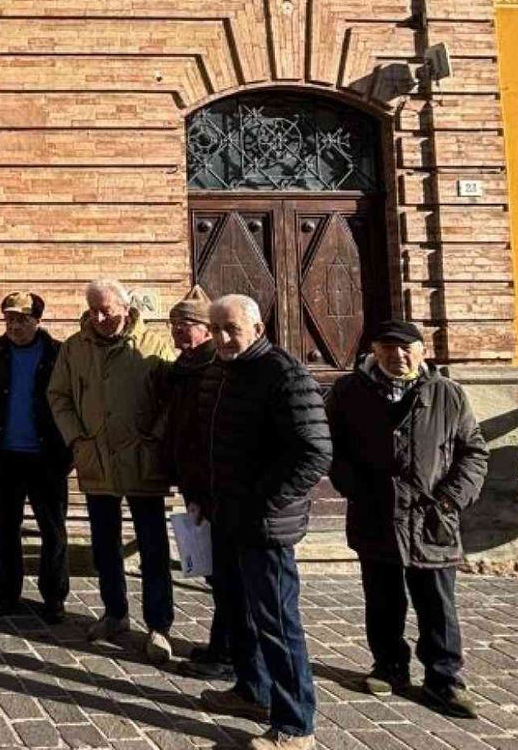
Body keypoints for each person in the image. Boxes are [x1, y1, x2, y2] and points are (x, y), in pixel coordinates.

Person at [327, 320, 488, 719]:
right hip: (375, 512)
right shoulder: (349, 393)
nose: (398, 356)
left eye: (407, 348)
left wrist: (450, 501)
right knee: (382, 598)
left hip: (432, 517)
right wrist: (352, 485)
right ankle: (389, 667)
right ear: (374, 351)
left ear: (421, 351)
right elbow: (330, 446)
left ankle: (445, 678)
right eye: (388, 348)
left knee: (437, 602)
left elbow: (474, 452)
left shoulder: (447, 394)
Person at [198, 294, 330, 750]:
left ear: (256, 327)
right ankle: (251, 690)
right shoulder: (222, 369)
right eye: (214, 328)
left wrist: (264, 503)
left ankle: (296, 726)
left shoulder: (285, 373)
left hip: (264, 523)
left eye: (230, 328)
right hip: (227, 516)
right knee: (239, 611)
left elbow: (314, 451)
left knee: (277, 621)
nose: (221, 337)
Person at [46, 279, 176, 663]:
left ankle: (158, 624)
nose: (100, 317)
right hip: (96, 459)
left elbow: (173, 400)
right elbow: (59, 396)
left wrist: (156, 437)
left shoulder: (154, 343)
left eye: (107, 309)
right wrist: (76, 440)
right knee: (105, 545)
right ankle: (115, 612)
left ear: (125, 305)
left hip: (143, 460)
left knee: (153, 546)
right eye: (93, 310)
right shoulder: (75, 348)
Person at [0, 291, 69, 622]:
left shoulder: (59, 355)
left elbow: (76, 401)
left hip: (47, 459)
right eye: (9, 318)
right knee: (5, 528)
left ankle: (54, 597)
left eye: (22, 319)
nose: (15, 325)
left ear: (38, 319)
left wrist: (67, 453)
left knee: (53, 530)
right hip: (5, 458)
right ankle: (5, 594)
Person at [164, 285, 233, 681]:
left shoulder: (216, 367)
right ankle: (222, 643)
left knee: (227, 574)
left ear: (207, 329)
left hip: (216, 485)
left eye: (186, 324)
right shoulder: (183, 367)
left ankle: (228, 653)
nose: (177, 332)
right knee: (214, 572)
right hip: (195, 484)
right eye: (174, 325)